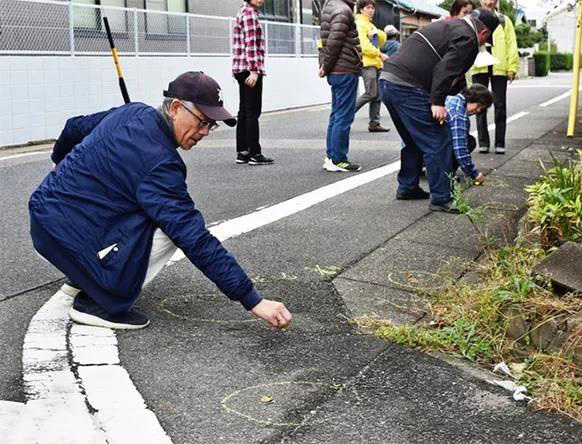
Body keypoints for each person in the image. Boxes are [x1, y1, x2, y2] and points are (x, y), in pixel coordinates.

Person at [29, 71, 292, 331]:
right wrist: (251, 298)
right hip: (64, 235)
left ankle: (84, 274)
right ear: (175, 108)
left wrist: (62, 165)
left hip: (44, 214)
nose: (205, 132)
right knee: (168, 229)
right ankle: (100, 300)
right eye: (202, 121)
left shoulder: (132, 112)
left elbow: (73, 126)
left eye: (211, 125)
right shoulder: (161, 164)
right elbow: (193, 236)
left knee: (141, 209)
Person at [380, 9, 499, 213]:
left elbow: (452, 73)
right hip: (408, 86)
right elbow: (445, 69)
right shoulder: (469, 38)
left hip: (388, 81)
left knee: (413, 140)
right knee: (439, 139)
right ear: (484, 33)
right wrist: (437, 102)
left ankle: (408, 187)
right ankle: (441, 198)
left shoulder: (451, 26)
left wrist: (458, 90)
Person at [318, 0, 363, 172]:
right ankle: (338, 159)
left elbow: (324, 42)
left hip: (336, 70)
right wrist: (326, 65)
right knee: (343, 116)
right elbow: (334, 42)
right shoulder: (343, 10)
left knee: (336, 114)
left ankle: (331, 156)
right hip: (344, 69)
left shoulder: (329, 7)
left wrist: (323, 65)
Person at [471, 0, 518, 155]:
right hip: (479, 66)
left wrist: (512, 67)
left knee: (500, 105)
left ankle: (500, 142)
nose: (488, 2)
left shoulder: (504, 21)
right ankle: (483, 142)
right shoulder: (472, 18)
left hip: (499, 66)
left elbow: (511, 44)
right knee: (479, 105)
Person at [232, 0, 273, 165]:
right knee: (252, 112)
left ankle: (243, 152)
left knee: (244, 111)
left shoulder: (244, 10)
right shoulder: (249, 13)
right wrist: (255, 70)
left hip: (241, 68)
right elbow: (251, 45)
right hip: (249, 69)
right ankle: (255, 153)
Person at [446, 84, 494, 183]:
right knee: (469, 141)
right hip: (431, 149)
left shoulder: (453, 98)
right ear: (471, 98)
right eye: (479, 105)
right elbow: (460, 148)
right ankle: (445, 174)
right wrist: (473, 173)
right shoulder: (459, 113)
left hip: (419, 144)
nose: (479, 110)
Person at [355, 0, 390, 133]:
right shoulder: (360, 24)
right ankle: (347, 114)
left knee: (377, 95)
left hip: (375, 63)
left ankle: (374, 123)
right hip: (367, 63)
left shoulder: (369, 25)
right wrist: (380, 54)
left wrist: (376, 32)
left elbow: (382, 41)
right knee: (371, 93)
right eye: (368, 8)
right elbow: (364, 46)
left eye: (372, 8)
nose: (371, 10)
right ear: (361, 9)